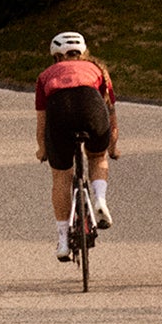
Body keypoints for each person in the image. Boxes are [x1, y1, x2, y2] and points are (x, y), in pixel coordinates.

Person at [34, 31, 119, 261]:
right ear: (83, 54)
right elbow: (110, 109)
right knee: (96, 156)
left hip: (60, 112)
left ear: (56, 58)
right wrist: (112, 145)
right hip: (91, 107)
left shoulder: (45, 75)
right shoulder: (97, 70)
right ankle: (100, 199)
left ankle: (63, 240)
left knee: (61, 176)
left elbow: (42, 119)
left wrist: (42, 147)